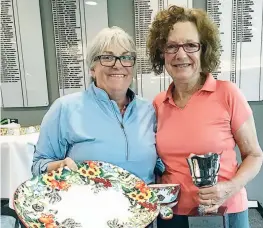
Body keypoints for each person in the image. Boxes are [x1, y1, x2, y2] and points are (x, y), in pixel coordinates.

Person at [147, 5, 263, 228]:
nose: (181, 54)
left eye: (191, 45)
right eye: (171, 46)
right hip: (173, 215)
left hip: (225, 212)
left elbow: (254, 155)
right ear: (162, 54)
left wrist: (229, 187)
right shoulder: (158, 103)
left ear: (204, 50)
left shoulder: (227, 94)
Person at [32, 26, 164, 189]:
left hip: (145, 210)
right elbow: (38, 165)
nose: (118, 65)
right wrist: (59, 167)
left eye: (126, 57)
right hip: (89, 210)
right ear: (92, 69)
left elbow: (160, 166)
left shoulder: (149, 110)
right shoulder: (65, 108)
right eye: (107, 57)